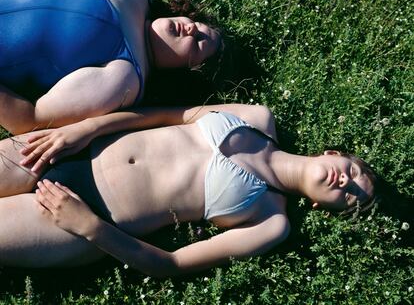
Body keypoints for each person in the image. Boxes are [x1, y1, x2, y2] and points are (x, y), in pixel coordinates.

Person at [0, 104, 375, 275]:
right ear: (333, 154)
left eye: (351, 196)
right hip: (67, 151)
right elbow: (166, 115)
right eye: (354, 171)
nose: (346, 182)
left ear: (319, 207)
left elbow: (173, 263)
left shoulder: (271, 222)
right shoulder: (257, 117)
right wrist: (87, 128)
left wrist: (89, 227)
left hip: (84, 216)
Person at [0, 0, 221, 135]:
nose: (192, 29)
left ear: (185, 75)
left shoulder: (123, 79)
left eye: (199, 43)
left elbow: (29, 120)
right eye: (199, 25)